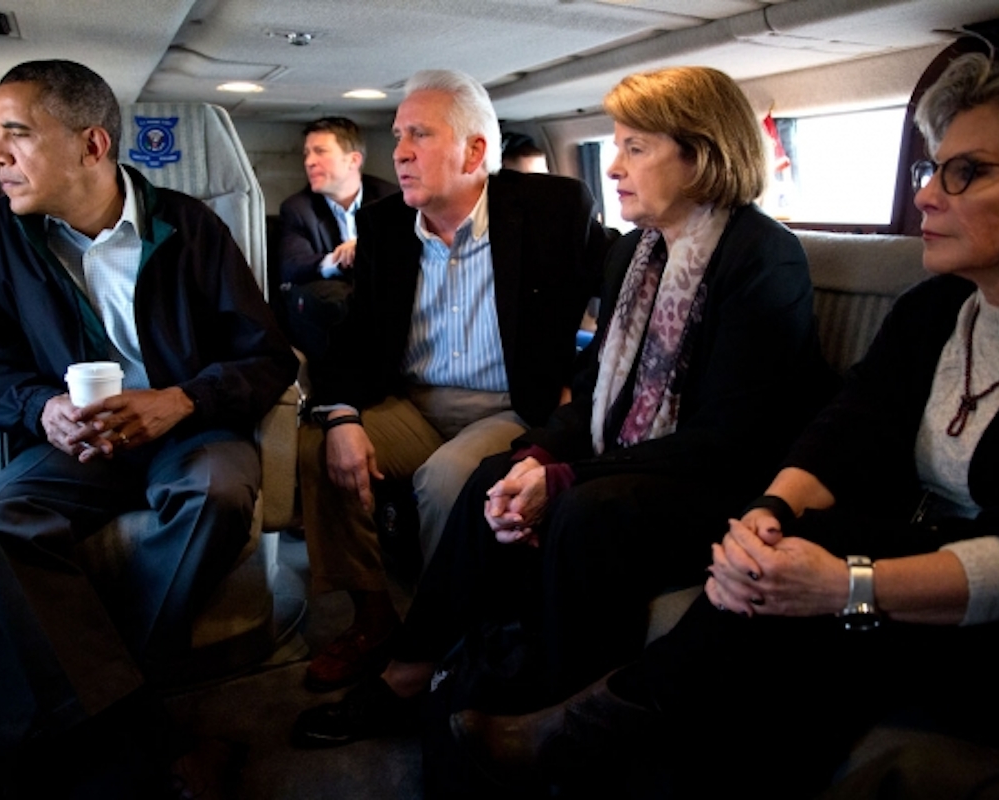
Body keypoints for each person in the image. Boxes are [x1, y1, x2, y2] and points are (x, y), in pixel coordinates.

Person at [451, 50, 999, 799]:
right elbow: (845, 429)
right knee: (759, 560)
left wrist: (847, 585)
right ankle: (541, 711)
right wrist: (770, 513)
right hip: (901, 535)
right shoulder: (936, 309)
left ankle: (579, 738)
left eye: (967, 172)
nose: (926, 198)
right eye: (931, 171)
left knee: (766, 606)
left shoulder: (762, 257)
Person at [292, 65, 833, 749]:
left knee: (581, 506)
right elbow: (602, 381)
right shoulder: (637, 253)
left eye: (635, 148)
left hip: (726, 480)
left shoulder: (763, 257)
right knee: (500, 474)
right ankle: (413, 667)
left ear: (700, 156)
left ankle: (542, 701)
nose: (613, 168)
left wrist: (566, 475)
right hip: (634, 454)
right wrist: (543, 453)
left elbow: (729, 436)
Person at [0, 59, 297, 795]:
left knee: (216, 494)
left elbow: (267, 359)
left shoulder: (191, 228)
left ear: (91, 146)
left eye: (15, 135)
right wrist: (41, 407)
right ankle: (142, 728)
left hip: (189, 429)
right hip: (78, 444)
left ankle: (95, 709)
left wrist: (183, 399)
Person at [298, 69, 610, 693]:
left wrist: (581, 384)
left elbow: (625, 302)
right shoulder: (386, 227)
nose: (401, 152)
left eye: (420, 134)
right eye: (396, 137)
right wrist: (342, 417)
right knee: (314, 450)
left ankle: (447, 643)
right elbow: (353, 340)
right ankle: (376, 619)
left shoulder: (552, 210)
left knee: (446, 480)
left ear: (475, 152)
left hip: (508, 405)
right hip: (410, 401)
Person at [278, 117, 398, 362]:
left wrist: (363, 248)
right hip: (334, 309)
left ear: (353, 160)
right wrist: (336, 259)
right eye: (307, 154)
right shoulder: (298, 208)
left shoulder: (391, 199)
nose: (309, 162)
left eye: (320, 152)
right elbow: (291, 265)